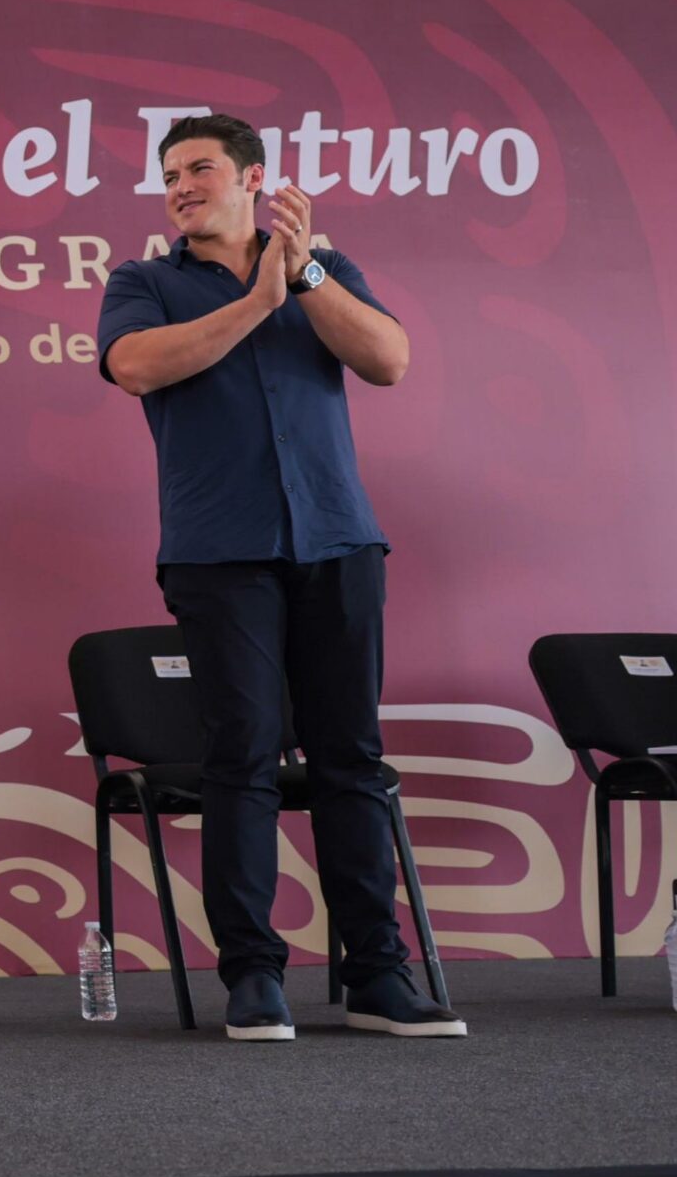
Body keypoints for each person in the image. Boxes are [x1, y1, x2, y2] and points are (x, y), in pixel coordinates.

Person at [98, 113, 463, 1041]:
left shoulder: (321, 268)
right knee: (244, 755)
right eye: (170, 174)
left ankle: (377, 973)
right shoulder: (144, 281)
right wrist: (259, 301)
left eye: (202, 169)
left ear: (253, 178)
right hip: (220, 553)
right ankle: (254, 975)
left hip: (338, 542)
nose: (181, 186)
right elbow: (135, 367)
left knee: (350, 757)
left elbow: (388, 359)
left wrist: (298, 276)